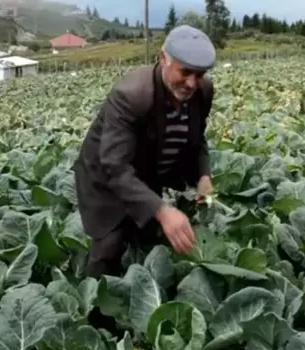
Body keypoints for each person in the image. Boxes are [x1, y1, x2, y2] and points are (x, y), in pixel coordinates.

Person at [74, 25, 216, 279]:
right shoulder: (132, 95)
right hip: (105, 174)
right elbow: (115, 166)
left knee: (151, 234)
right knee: (110, 243)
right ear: (163, 59)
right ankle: (94, 308)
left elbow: (197, 139)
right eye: (185, 72)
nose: (192, 83)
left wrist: (203, 176)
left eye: (200, 74)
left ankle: (144, 284)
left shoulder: (203, 92)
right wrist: (162, 210)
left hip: (147, 168)